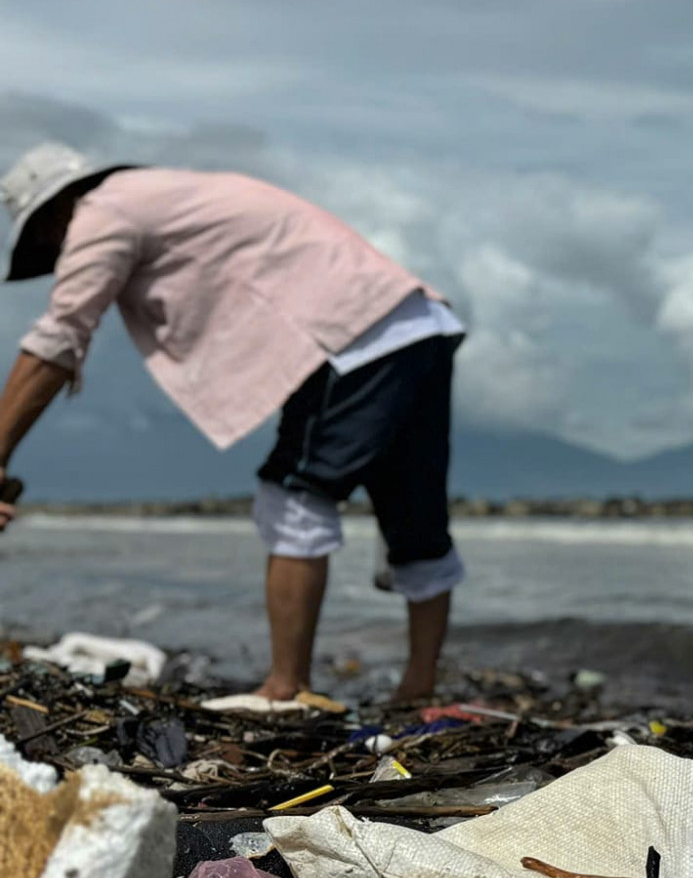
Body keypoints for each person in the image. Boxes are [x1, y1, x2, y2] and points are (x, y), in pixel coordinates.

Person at [0, 142, 466, 703]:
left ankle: (286, 690)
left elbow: (57, 338)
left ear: (55, 212)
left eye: (47, 242)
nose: (58, 253)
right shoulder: (164, 196)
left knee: (293, 496)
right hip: (415, 322)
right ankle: (418, 692)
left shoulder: (104, 211)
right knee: (413, 511)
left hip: (349, 335)